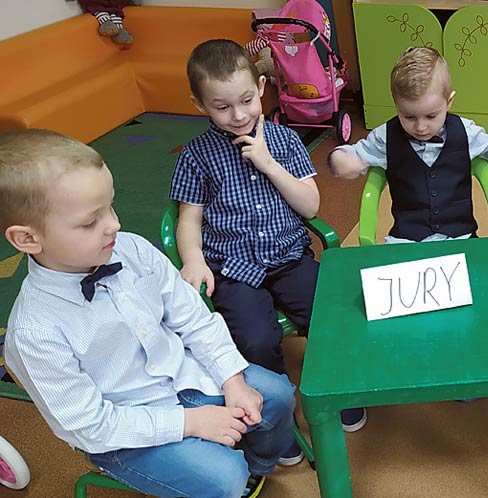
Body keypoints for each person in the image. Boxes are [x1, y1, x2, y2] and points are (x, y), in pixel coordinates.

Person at [0, 129, 297, 498]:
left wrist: (232, 380)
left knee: (278, 395)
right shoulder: (34, 332)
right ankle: (234, 476)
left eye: (110, 206)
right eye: (90, 222)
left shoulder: (133, 249)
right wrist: (191, 422)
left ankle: (257, 467)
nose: (114, 224)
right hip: (124, 430)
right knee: (226, 478)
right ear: (27, 239)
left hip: (184, 376)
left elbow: (194, 319)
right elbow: (92, 425)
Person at [169, 39, 365, 451]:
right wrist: (193, 260)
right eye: (222, 107)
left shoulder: (285, 140)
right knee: (255, 340)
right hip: (233, 269)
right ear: (199, 105)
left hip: (289, 257)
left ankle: (339, 391)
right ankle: (277, 420)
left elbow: (310, 205)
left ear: (261, 87)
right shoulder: (196, 156)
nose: (239, 115)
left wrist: (268, 163)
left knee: (331, 317)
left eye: (246, 100)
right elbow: (189, 219)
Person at [328, 46, 488, 243]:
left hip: (460, 237)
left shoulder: (465, 132)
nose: (421, 127)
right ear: (396, 104)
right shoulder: (386, 136)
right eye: (409, 116)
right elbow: (351, 153)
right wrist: (340, 159)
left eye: (431, 116)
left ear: (449, 102)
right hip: (406, 241)